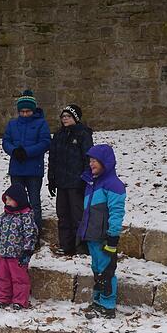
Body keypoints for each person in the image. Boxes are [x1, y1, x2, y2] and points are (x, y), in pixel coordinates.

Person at [77, 144, 126, 319]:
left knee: (106, 270)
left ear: (105, 162)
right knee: (97, 268)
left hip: (104, 237)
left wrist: (113, 237)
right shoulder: (92, 182)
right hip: (92, 235)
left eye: (95, 161)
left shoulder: (113, 184)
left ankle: (108, 304)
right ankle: (98, 301)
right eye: (90, 160)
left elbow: (116, 212)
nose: (91, 164)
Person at [2, 89, 51, 232]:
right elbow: (6, 141)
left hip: (33, 168)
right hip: (17, 168)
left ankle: (34, 232)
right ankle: (17, 230)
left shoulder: (41, 123)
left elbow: (45, 142)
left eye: (27, 111)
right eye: (22, 111)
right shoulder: (12, 124)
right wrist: (14, 150)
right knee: (16, 200)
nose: (24, 114)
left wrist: (27, 152)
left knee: (34, 201)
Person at [48, 104, 94, 256]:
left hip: (76, 182)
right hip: (62, 181)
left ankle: (81, 246)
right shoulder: (59, 135)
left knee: (77, 215)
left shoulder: (83, 134)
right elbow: (53, 158)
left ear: (75, 118)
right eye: (63, 117)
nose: (65, 119)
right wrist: (51, 178)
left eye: (68, 116)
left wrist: (86, 178)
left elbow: (88, 158)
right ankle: (66, 245)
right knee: (63, 214)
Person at [0, 183, 38, 310]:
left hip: (18, 255)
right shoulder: (3, 216)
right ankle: (2, 298)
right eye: (6, 199)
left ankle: (20, 300)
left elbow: (30, 234)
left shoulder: (26, 217)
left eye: (10, 199)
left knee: (19, 278)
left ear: (19, 200)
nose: (7, 202)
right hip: (3, 254)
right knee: (2, 277)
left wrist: (27, 250)